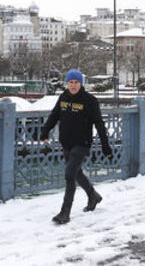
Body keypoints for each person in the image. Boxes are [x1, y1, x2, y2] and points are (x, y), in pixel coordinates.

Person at [40, 69, 113, 224]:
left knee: (69, 175)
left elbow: (99, 124)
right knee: (77, 173)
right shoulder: (63, 97)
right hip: (66, 142)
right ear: (67, 83)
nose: (73, 85)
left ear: (81, 83)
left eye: (76, 82)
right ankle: (93, 195)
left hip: (82, 143)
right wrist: (45, 132)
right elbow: (54, 116)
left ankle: (64, 212)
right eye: (70, 82)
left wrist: (105, 146)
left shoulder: (90, 101)